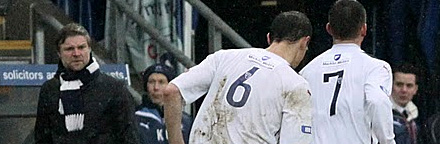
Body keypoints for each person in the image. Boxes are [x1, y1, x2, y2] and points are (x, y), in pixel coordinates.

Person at [163, 10, 313, 144]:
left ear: (269, 38)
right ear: (304, 42)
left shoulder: (224, 57)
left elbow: (172, 91)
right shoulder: (296, 84)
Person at [299, 0, 395, 144]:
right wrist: (388, 141)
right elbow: (377, 101)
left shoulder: (307, 71)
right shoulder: (376, 68)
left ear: (329, 29)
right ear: (364, 29)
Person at [34, 23, 139, 143]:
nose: (76, 54)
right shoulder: (50, 89)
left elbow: (129, 136)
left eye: (81, 47)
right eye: (69, 49)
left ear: (89, 49)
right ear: (59, 53)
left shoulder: (114, 89)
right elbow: (42, 137)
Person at [135, 63, 193, 144]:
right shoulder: (135, 118)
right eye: (151, 82)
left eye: (161, 82)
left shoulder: (186, 121)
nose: (156, 87)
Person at [390, 64, 419, 144]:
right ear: (391, 85)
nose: (404, 90)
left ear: (415, 89)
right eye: (399, 84)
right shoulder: (381, 112)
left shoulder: (417, 115)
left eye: (409, 86)